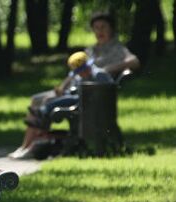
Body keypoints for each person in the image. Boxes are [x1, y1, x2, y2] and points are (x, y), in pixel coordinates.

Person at [9, 11, 140, 159]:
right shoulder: (91, 50)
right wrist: (62, 86)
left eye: (103, 27)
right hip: (72, 89)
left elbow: (134, 61)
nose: (99, 31)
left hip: (91, 95)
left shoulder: (117, 49)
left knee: (45, 102)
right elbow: (74, 72)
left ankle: (30, 147)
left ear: (111, 28)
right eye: (96, 28)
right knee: (36, 99)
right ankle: (26, 145)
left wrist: (109, 68)